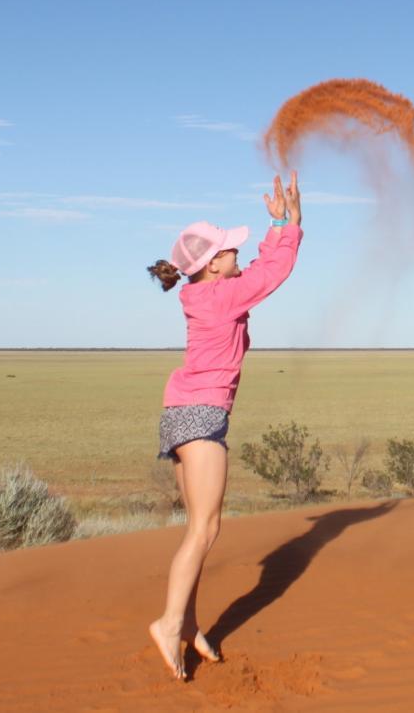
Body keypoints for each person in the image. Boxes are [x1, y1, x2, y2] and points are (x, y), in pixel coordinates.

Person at [143, 171, 303, 680]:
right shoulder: (220, 297)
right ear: (212, 265)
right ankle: (168, 624)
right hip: (202, 417)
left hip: (178, 414)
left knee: (197, 529)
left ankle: (188, 623)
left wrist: (277, 225)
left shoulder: (204, 295)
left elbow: (256, 269)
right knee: (206, 530)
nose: (239, 253)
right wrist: (286, 224)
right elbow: (271, 273)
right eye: (231, 250)